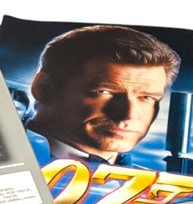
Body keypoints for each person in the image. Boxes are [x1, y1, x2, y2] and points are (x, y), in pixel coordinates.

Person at [25, 25, 180, 166]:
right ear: (44, 88)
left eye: (147, 97)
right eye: (105, 92)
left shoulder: (158, 185)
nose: (128, 115)